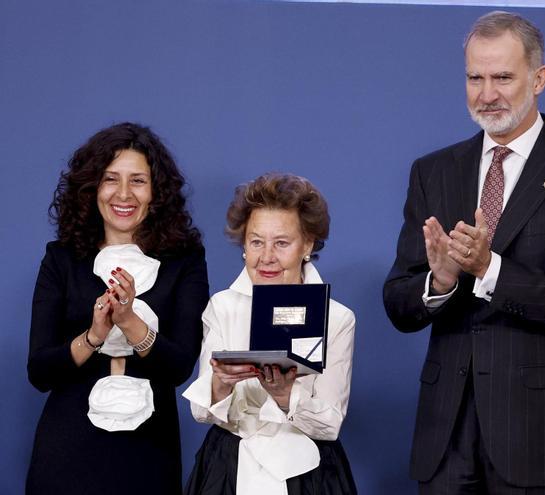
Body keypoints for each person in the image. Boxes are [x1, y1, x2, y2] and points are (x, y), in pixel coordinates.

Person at [383, 11, 545, 494]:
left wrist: (487, 268)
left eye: (502, 77)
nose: (486, 93)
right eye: (475, 77)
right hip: (446, 438)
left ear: (539, 78)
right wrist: (442, 281)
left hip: (538, 439)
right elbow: (400, 304)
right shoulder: (434, 171)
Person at [27, 122, 209, 494]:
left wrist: (129, 322)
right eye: (111, 179)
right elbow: (40, 371)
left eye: (138, 181)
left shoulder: (185, 261)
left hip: (148, 453)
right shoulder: (62, 259)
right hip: (67, 451)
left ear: (156, 191)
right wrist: (94, 335)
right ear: (92, 187)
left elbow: (179, 367)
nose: (123, 194)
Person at [183, 173, 356, 495]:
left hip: (306, 473)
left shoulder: (337, 318)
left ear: (307, 244)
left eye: (281, 243)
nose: (266, 258)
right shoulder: (223, 306)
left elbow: (330, 423)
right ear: (244, 245)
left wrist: (284, 396)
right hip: (227, 468)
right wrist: (219, 385)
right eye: (256, 242)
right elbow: (200, 411)